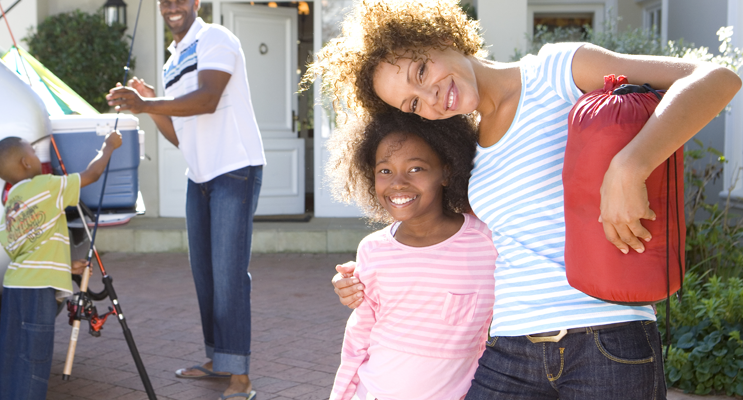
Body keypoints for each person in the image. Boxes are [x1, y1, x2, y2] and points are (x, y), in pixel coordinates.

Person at [304, 0, 741, 398]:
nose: (430, 99)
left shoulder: (557, 71)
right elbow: (447, 231)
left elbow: (715, 78)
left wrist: (630, 166)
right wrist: (369, 269)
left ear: (440, 36)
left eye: (421, 72)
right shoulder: (467, 143)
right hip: (510, 347)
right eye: (413, 104)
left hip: (607, 337)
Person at [105, 0, 265, 397]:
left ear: (197, 2)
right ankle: (218, 359)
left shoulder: (215, 38)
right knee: (206, 277)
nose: (172, 5)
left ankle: (240, 376)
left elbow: (207, 99)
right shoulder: (171, 60)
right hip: (200, 175)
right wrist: (150, 105)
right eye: (165, 0)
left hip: (234, 168)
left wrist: (148, 103)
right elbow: (179, 133)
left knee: (228, 274)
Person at [325, 109, 495, 400]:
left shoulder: (487, 243)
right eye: (385, 170)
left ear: (446, 170)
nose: (398, 182)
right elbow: (359, 336)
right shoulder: (372, 249)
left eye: (415, 168)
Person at [0, 132, 122, 399]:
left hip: (15, 286)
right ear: (26, 163)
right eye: (34, 154)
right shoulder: (45, 186)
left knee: (13, 355)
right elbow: (91, 175)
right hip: (37, 290)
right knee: (33, 359)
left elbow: (27, 248)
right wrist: (108, 147)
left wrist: (64, 266)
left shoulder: (11, 202)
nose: (39, 159)